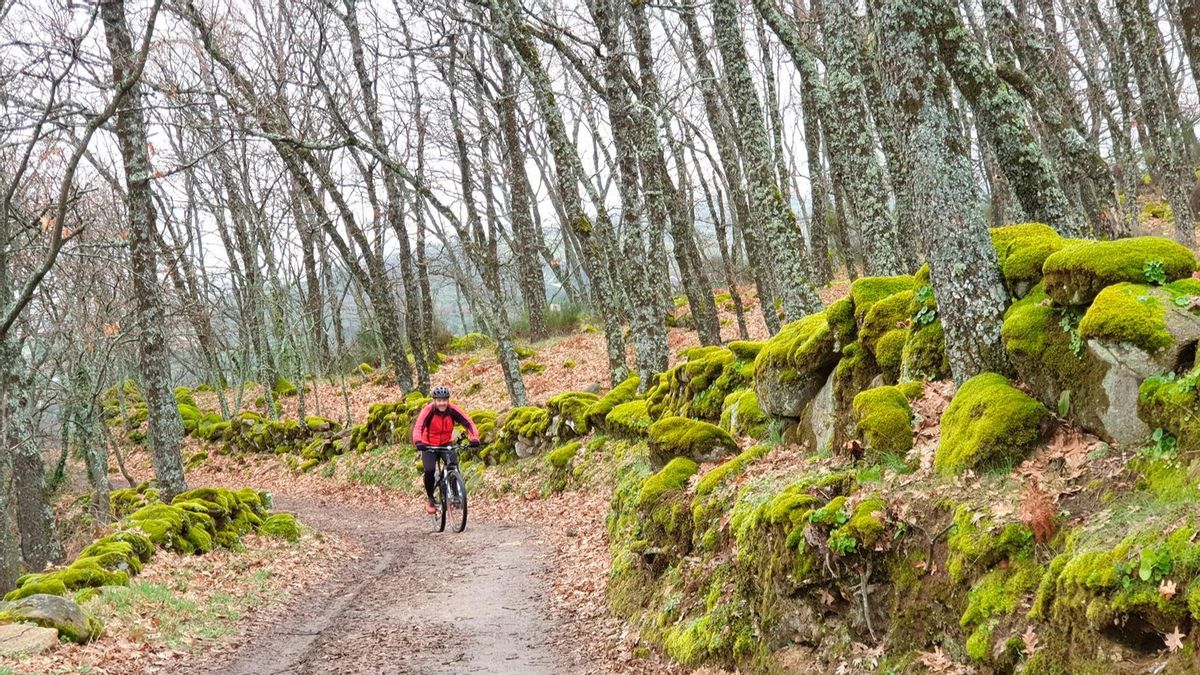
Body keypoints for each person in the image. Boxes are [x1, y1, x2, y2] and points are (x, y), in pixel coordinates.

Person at [411, 386, 480, 514]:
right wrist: (418, 441)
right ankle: (430, 498)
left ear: (448, 400)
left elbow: (468, 422)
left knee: (453, 465)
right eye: (439, 400)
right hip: (428, 445)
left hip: (446, 443)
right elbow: (419, 426)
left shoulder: (452, 410)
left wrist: (474, 437)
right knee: (429, 470)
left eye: (444, 400)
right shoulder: (428, 410)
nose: (442, 403)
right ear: (434, 401)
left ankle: (456, 495)